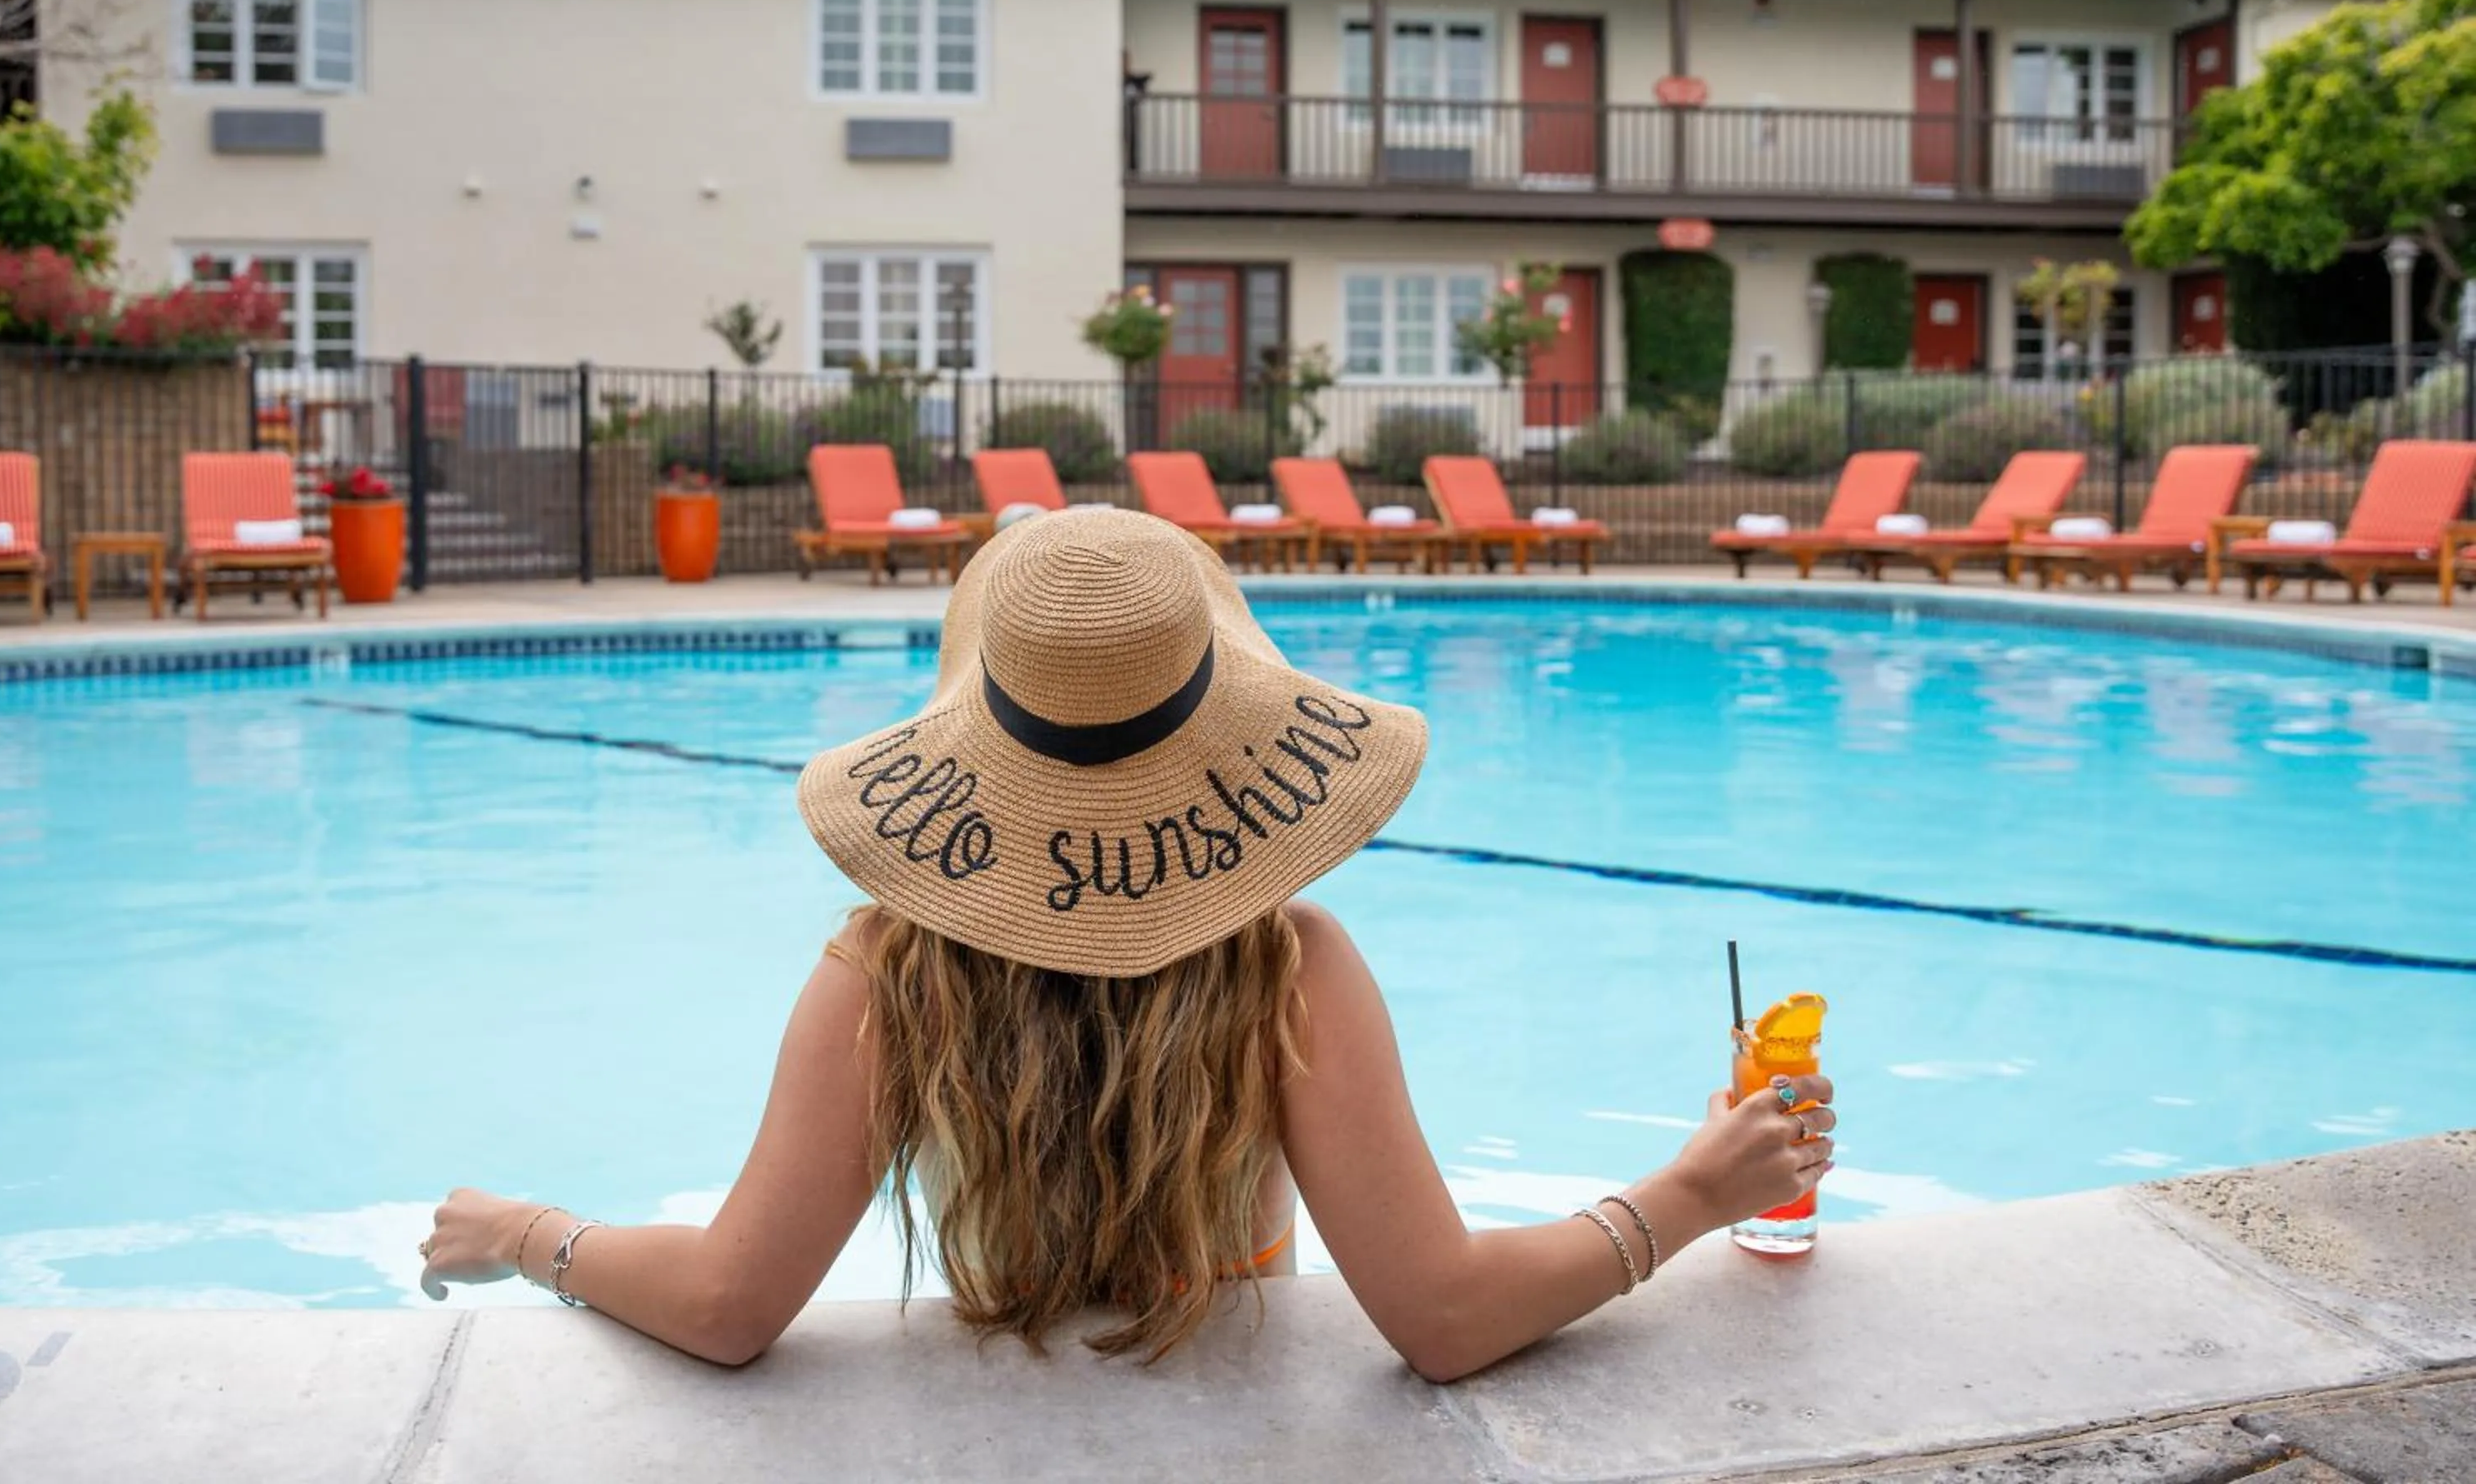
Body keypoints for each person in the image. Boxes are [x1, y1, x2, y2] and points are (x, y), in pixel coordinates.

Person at [419, 510, 1836, 1382]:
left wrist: (525, 1231)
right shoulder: (1289, 968)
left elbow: (729, 1307)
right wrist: (1691, 1193)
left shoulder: (889, 977)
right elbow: (1447, 1319)